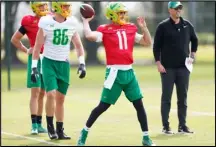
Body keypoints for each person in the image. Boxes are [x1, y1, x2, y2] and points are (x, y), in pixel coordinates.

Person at [77, 2, 155, 146]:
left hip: (129, 72)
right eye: (120, 13)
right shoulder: (105, 29)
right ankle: (84, 132)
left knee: (139, 105)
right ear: (112, 14)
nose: (123, 15)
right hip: (114, 73)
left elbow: (147, 41)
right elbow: (89, 36)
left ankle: (146, 137)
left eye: (124, 13)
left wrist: (144, 28)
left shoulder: (130, 28)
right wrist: (85, 21)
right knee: (103, 106)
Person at [31, 2, 86, 140]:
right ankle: (50, 128)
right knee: (51, 94)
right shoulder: (46, 22)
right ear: (56, 7)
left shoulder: (71, 22)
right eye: (64, 6)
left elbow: (78, 45)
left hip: (64, 64)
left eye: (68, 6)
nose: (67, 9)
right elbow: (37, 47)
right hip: (49, 62)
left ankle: (60, 130)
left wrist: (82, 63)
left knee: (61, 99)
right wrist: (33, 67)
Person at [153, 1, 198, 135]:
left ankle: (182, 126)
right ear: (170, 10)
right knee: (166, 97)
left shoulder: (187, 25)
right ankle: (166, 126)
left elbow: (194, 40)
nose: (179, 10)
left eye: (180, 8)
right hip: (167, 68)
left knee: (182, 98)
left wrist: (193, 53)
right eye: (176, 8)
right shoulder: (163, 26)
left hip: (184, 68)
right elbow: (156, 47)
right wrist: (158, 63)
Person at [11, 1, 49, 135]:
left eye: (45, 5)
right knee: (35, 92)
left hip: (49, 59)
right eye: (40, 6)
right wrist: (26, 49)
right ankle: (33, 125)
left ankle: (39, 124)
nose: (44, 8)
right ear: (34, 8)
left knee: (43, 93)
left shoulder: (51, 19)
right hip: (35, 59)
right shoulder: (29, 21)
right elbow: (15, 39)